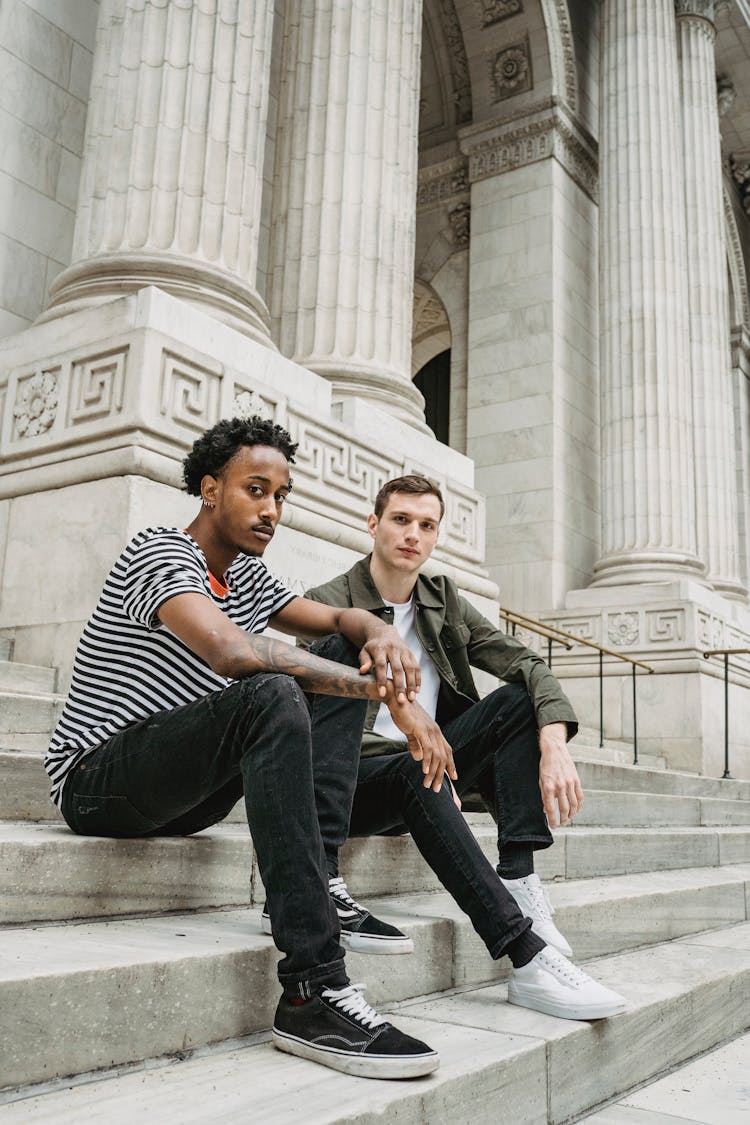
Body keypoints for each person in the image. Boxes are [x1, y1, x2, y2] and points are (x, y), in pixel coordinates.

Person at [45, 417, 455, 1081]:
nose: (271, 510)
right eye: (255, 489)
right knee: (271, 689)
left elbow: (335, 620)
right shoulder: (161, 552)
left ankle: (316, 876)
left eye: (282, 495)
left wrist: (375, 629)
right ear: (210, 489)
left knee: (330, 654)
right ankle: (312, 989)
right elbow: (232, 653)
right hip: (98, 780)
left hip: (180, 792)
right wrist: (393, 702)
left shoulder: (250, 577)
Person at [300, 473, 625, 1020]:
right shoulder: (328, 605)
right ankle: (526, 957)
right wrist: (417, 753)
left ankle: (518, 874)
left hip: (434, 764)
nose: (413, 535)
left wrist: (554, 741)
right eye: (401, 520)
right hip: (359, 785)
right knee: (417, 766)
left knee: (520, 701)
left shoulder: (442, 597)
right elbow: (320, 727)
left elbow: (526, 662)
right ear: (373, 523)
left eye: (427, 526)